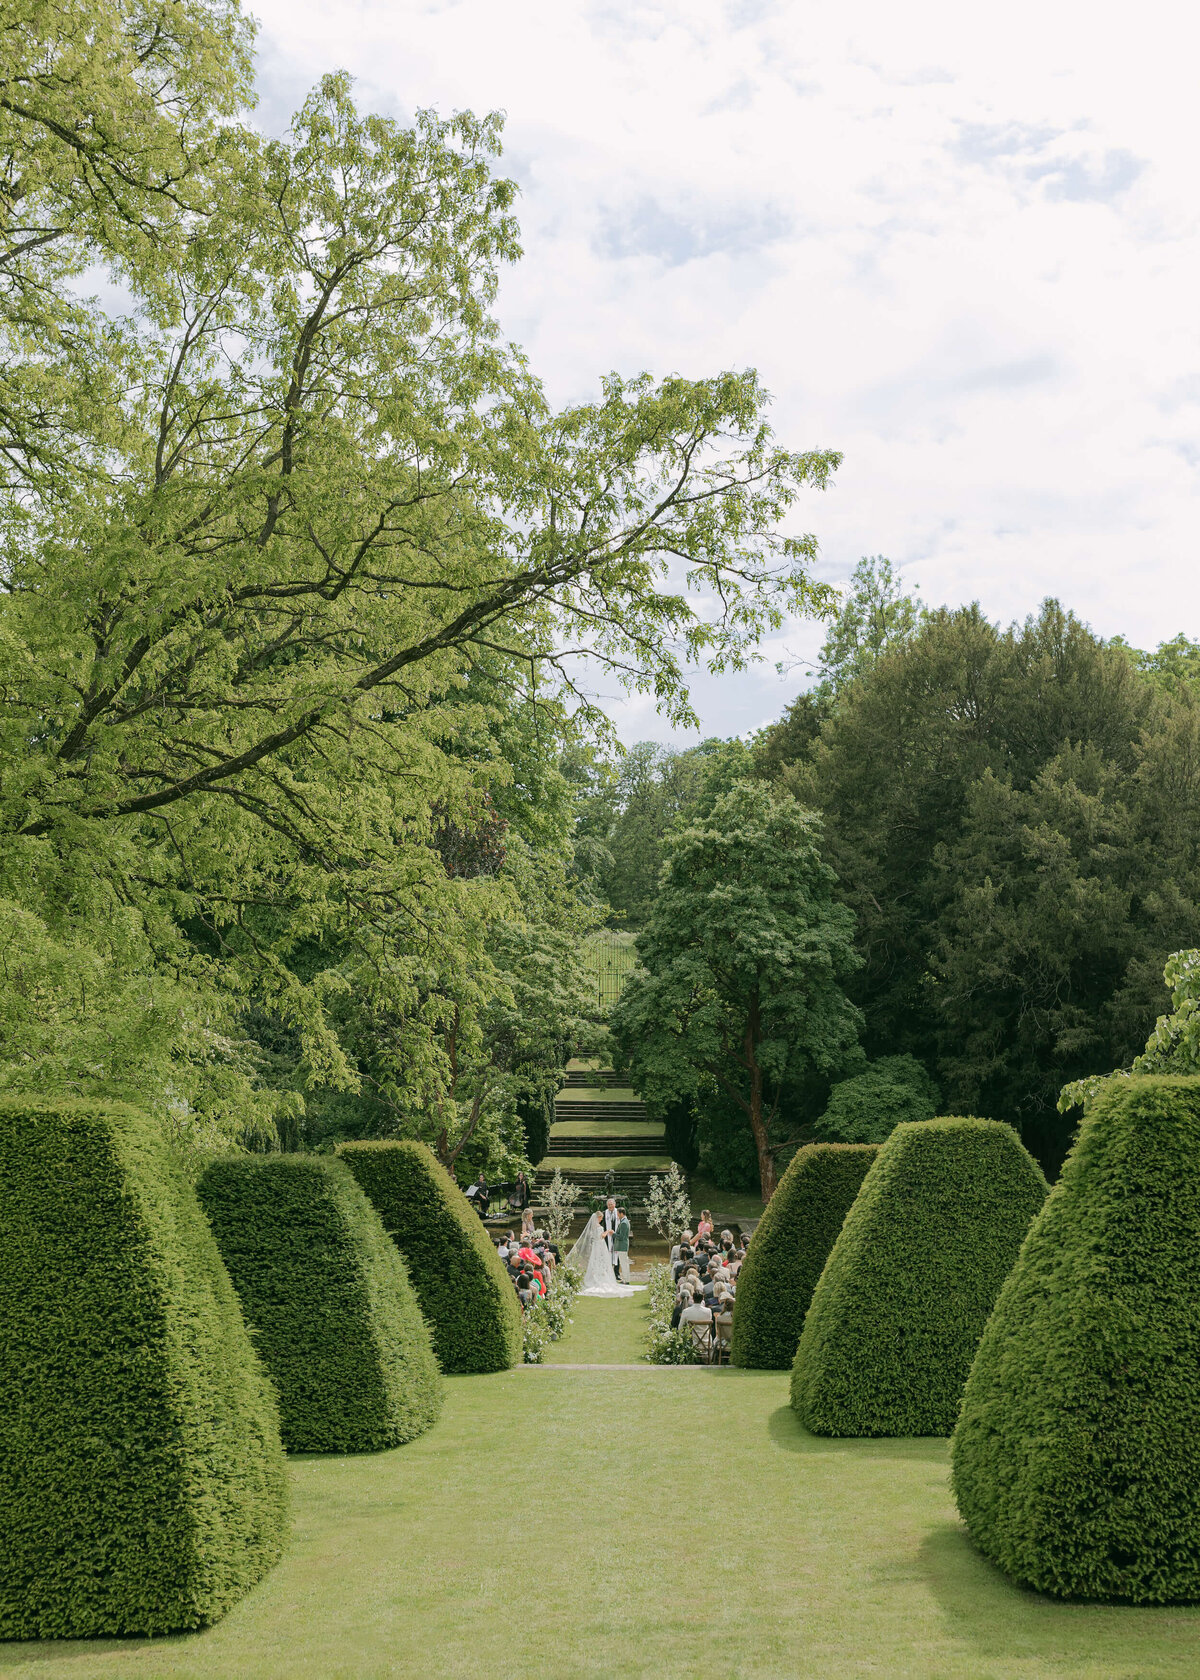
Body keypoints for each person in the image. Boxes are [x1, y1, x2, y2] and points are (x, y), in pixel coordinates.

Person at [612, 1206, 631, 1283]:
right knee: (624, 1264)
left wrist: (613, 1234)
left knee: (624, 1264)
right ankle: (626, 1279)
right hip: (623, 1246)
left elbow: (621, 1237)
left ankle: (626, 1281)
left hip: (622, 1246)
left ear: (621, 1214)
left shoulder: (624, 1223)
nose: (617, 1216)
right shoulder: (625, 1221)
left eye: (618, 1214)